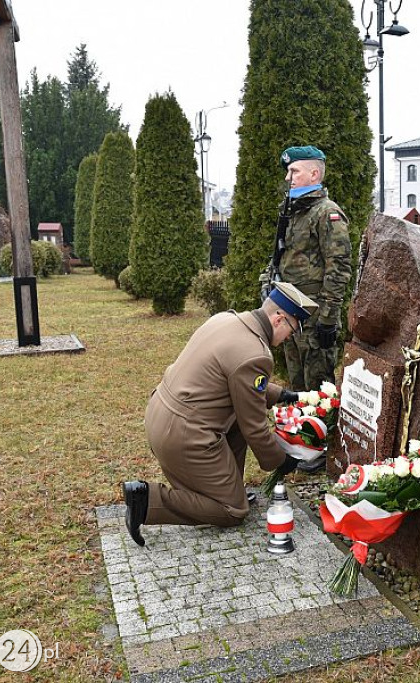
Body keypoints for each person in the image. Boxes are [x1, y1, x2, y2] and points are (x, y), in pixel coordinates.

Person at [121, 282, 318, 547]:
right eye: (292, 330)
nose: (289, 338)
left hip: (161, 414)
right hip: (184, 436)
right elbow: (255, 427)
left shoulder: (226, 320)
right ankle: (147, 501)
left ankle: (230, 489)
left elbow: (237, 378)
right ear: (278, 318)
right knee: (232, 511)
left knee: (236, 422)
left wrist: (283, 395)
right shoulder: (255, 353)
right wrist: (282, 461)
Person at [262, 145, 352, 472]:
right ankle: (302, 444)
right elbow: (279, 257)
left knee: (318, 382)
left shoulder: (327, 213)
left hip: (315, 317)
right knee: (297, 383)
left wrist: (328, 318)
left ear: (314, 174)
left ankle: (321, 447)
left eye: (294, 171)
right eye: (288, 172)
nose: (288, 177)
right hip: (290, 314)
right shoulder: (292, 210)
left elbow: (339, 268)